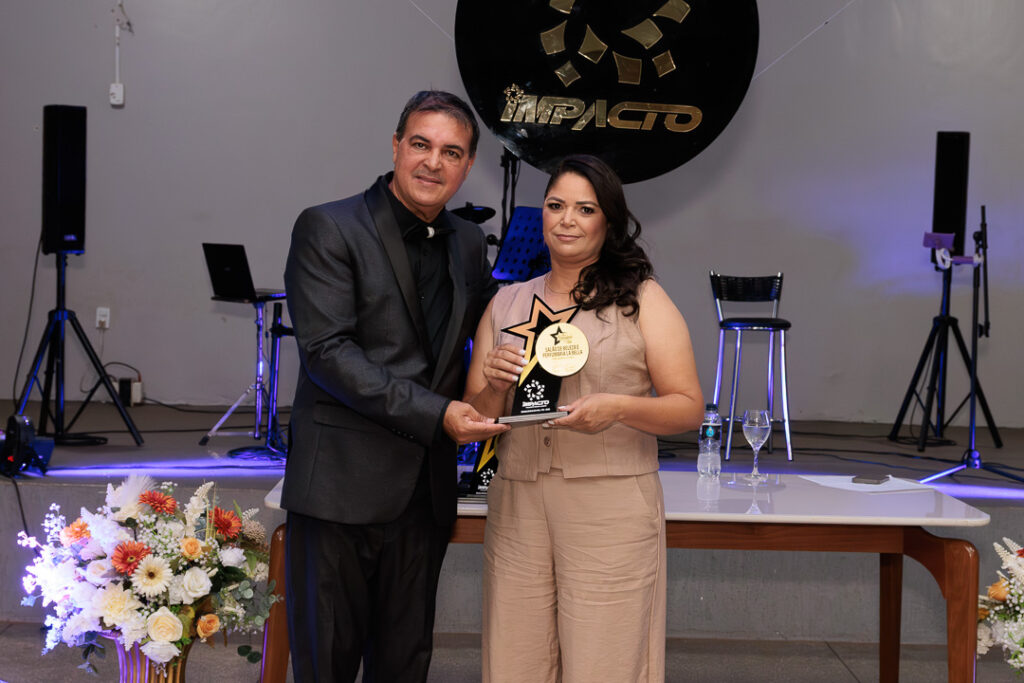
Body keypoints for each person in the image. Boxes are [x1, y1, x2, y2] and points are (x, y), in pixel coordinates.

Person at [282, 90, 508, 683]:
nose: (433, 162)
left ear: (467, 166)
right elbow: (328, 354)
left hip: (424, 497)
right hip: (339, 489)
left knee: (405, 664)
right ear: (395, 147)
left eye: (451, 152)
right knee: (326, 664)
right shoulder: (329, 226)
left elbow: (496, 321)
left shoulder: (467, 241)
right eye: (421, 144)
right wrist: (439, 414)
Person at [465, 154, 704, 682]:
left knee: (606, 663)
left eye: (585, 209)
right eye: (556, 206)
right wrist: (494, 385)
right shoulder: (506, 304)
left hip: (609, 503)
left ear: (608, 222)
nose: (567, 220)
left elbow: (688, 406)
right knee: (514, 661)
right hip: (518, 502)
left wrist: (618, 407)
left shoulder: (642, 299)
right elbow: (474, 420)